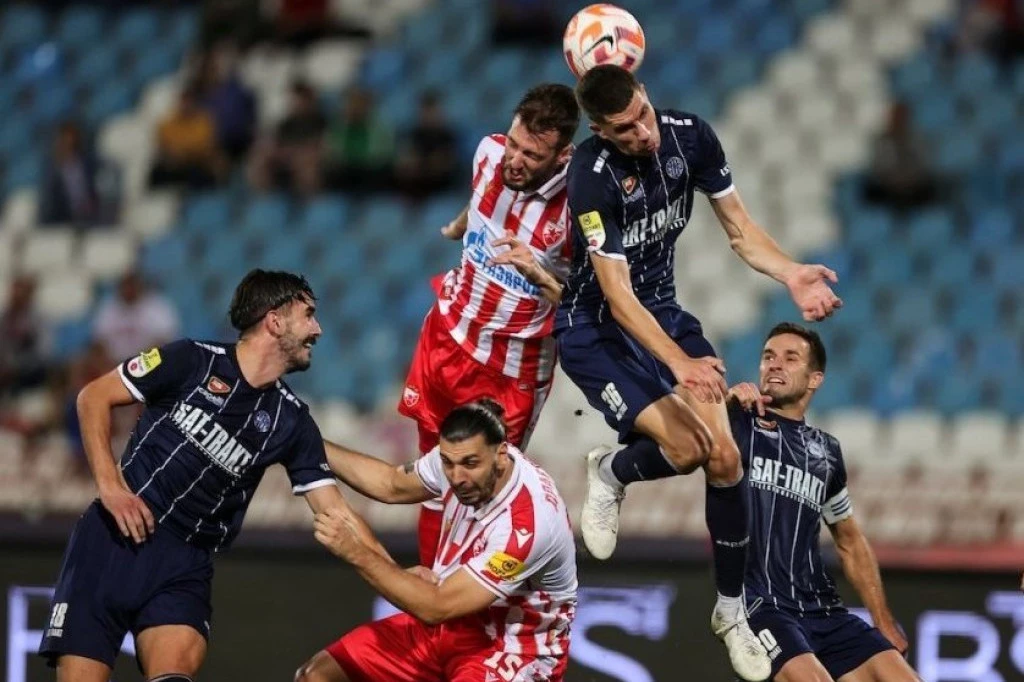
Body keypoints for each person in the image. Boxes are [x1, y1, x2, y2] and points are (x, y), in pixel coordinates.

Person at [556, 65, 842, 681]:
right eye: (624, 129)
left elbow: (739, 230)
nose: (642, 132)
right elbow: (617, 295)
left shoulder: (691, 136)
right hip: (596, 329)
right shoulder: (590, 177)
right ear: (601, 130)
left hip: (663, 312)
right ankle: (610, 471)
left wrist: (790, 272)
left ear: (646, 94)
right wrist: (680, 363)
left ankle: (733, 612)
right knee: (686, 449)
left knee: (725, 457)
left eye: (643, 114)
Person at [39, 269, 384, 682]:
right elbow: (93, 396)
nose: (318, 329)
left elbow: (336, 512)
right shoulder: (191, 359)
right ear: (275, 321)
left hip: (185, 563)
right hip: (115, 535)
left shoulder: (292, 422)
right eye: (308, 315)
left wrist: (394, 575)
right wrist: (110, 486)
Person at [399, 83, 578, 567]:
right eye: (514, 144)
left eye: (532, 155)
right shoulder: (488, 153)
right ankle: (431, 587)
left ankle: (472, 597)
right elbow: (480, 194)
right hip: (447, 334)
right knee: (432, 477)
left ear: (562, 156)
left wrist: (538, 274)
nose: (514, 160)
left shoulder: (577, 212)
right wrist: (461, 224)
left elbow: (589, 308)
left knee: (481, 492)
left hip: (510, 371)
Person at [296, 400, 577, 682]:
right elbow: (390, 483)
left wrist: (356, 552)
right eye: (447, 464)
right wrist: (303, 438)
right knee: (316, 676)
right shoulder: (459, 458)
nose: (457, 478)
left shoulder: (530, 524)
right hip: (450, 627)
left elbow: (437, 607)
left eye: (470, 464)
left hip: (512, 646)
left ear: (501, 455)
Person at [727, 323, 919, 682]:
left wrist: (882, 621)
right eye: (768, 356)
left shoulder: (826, 453)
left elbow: (850, 541)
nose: (775, 364)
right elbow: (686, 426)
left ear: (814, 379)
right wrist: (722, 404)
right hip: (760, 606)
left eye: (790, 358)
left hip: (824, 610)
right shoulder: (736, 424)